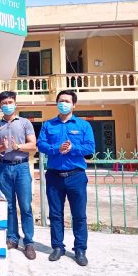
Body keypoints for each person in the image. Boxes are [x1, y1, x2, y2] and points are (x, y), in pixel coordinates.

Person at [37, 90, 95, 266]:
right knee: (55, 214)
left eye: (67, 101)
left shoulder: (84, 125)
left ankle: (80, 249)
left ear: (74, 105)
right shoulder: (48, 125)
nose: (63, 104)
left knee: (79, 215)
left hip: (76, 176)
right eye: (61, 101)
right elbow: (41, 144)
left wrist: (73, 148)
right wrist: (57, 148)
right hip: (54, 176)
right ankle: (57, 247)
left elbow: (90, 147)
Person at [0, 91, 37, 260]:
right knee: (8, 206)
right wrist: (1, 148)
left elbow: (33, 145)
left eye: (10, 102)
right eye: (4, 103)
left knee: (25, 206)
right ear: (0, 106)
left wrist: (19, 147)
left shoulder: (25, 123)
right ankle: (12, 238)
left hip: (21, 167)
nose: (7, 105)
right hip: (4, 168)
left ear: (15, 103)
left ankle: (29, 242)